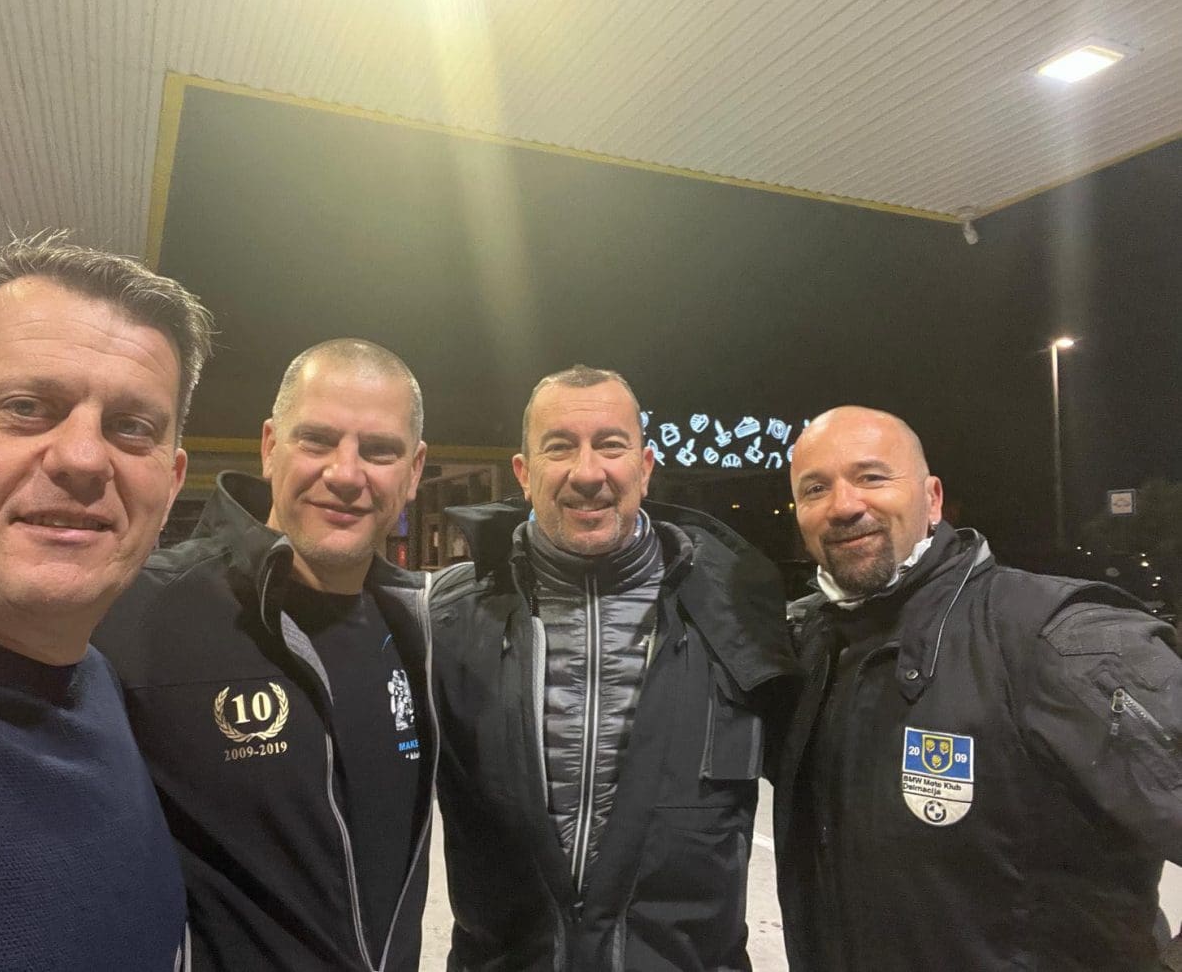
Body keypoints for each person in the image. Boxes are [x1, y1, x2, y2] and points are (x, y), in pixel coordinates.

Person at [0, 234, 213, 971]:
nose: (84, 458)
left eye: (132, 427)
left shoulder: (97, 684)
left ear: (169, 485)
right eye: (28, 407)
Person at [777, 404, 1182, 972]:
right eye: (815, 488)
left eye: (871, 477)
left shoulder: (1058, 639)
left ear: (932, 500)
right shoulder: (812, 650)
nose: (843, 505)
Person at [430, 365, 796, 970]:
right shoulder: (449, 618)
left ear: (645, 467)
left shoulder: (738, 616)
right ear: (523, 473)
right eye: (559, 447)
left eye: (610, 445)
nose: (587, 473)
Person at [94, 339, 436, 972]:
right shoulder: (138, 610)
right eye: (317, 440)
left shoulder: (419, 628)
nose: (346, 474)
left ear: (413, 471)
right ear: (270, 445)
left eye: (379, 451)